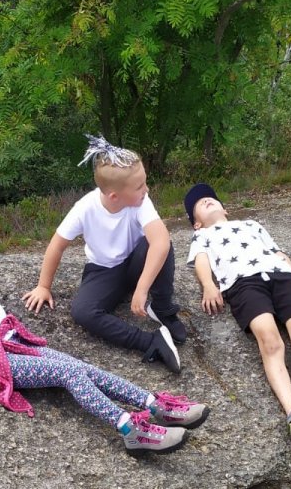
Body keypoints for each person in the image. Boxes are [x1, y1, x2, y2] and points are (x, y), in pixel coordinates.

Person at [0, 229, 210, 455]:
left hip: (16, 339)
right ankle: (129, 430)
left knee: (83, 367)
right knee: (69, 374)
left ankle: (155, 405)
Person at [183, 184, 291, 446]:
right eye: (200, 204)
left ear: (225, 209)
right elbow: (201, 261)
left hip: (282, 277)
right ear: (196, 223)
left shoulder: (251, 224)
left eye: (211, 198)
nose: (207, 201)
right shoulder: (202, 236)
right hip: (243, 284)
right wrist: (209, 286)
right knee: (269, 341)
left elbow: (278, 253)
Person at [22, 135, 183, 372]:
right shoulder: (85, 208)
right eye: (140, 186)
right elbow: (56, 245)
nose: (146, 189)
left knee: (161, 244)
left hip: (136, 263)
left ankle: (162, 307)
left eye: (145, 182)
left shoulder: (141, 201)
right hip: (103, 271)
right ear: (114, 196)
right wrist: (43, 286)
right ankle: (151, 341)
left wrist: (142, 289)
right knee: (82, 312)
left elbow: (160, 242)